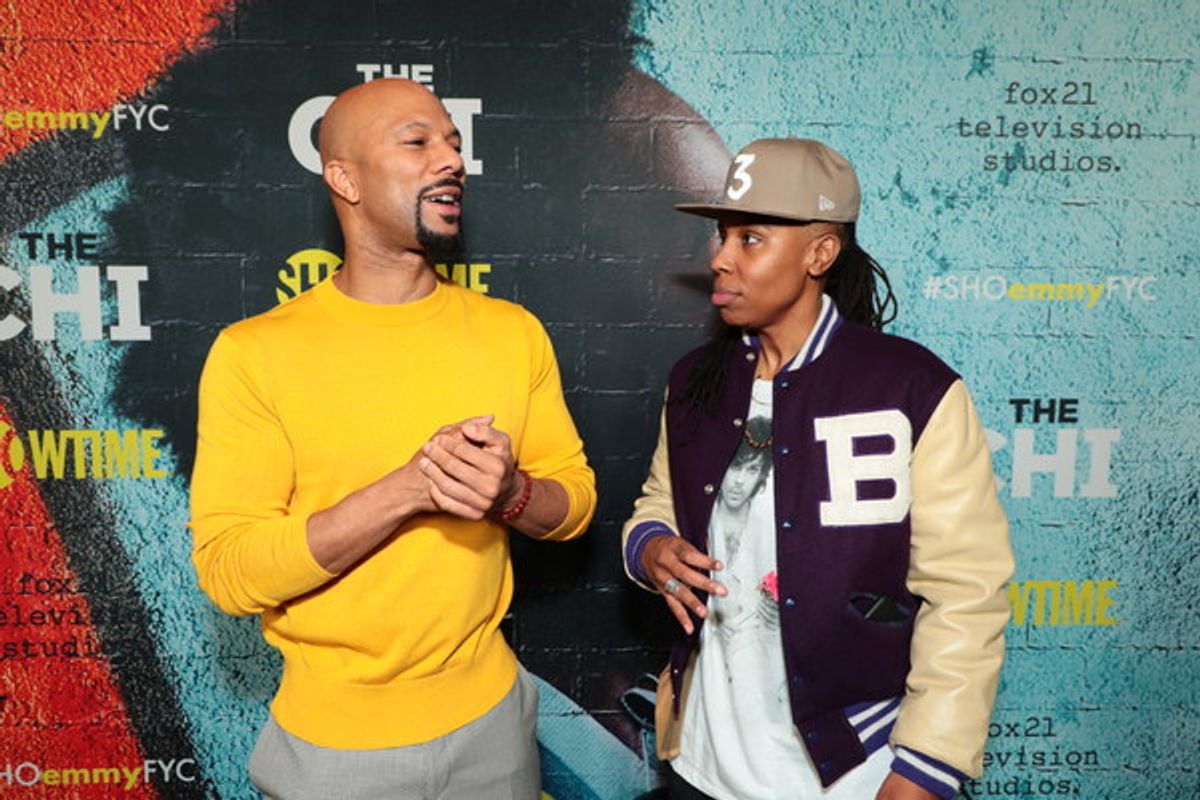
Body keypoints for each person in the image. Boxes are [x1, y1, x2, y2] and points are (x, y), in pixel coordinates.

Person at [189, 78, 596, 800]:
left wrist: (510, 492)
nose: (451, 160)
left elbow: (575, 504)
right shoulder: (255, 354)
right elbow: (231, 572)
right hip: (333, 754)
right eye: (417, 142)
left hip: (494, 727)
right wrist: (408, 490)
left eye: (453, 143)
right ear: (344, 179)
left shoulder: (512, 333)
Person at [622, 138, 1013, 800]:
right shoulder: (694, 381)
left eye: (751, 239)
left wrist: (925, 767)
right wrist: (652, 546)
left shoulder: (913, 388)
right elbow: (659, 501)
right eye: (723, 235)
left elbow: (965, 592)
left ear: (820, 253)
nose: (720, 258)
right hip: (701, 763)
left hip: (853, 770)